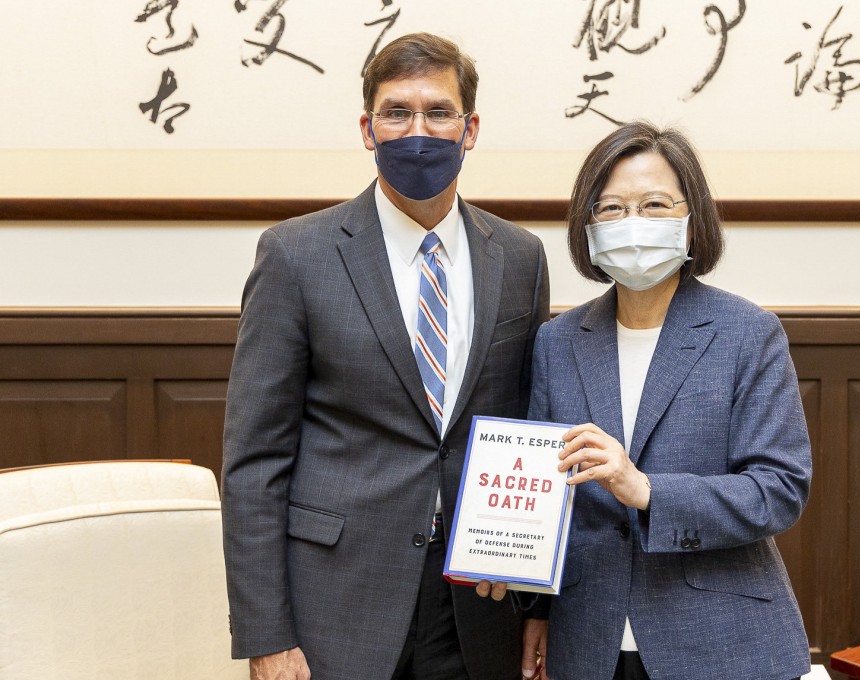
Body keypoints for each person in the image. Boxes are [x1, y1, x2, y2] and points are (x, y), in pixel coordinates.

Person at [221, 33, 549, 680]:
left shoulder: (519, 257)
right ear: (368, 129)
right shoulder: (297, 255)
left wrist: (535, 599)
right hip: (337, 603)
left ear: (470, 127)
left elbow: (528, 428)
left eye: (438, 112)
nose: (417, 131)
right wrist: (266, 635)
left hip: (478, 605)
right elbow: (254, 463)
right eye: (397, 113)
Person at [521, 122, 812, 680]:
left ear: (691, 220)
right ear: (587, 228)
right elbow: (543, 491)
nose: (632, 224)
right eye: (610, 209)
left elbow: (780, 489)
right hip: (587, 640)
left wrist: (648, 490)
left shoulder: (747, 333)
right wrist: (534, 608)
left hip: (720, 640)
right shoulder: (558, 342)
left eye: (654, 204)